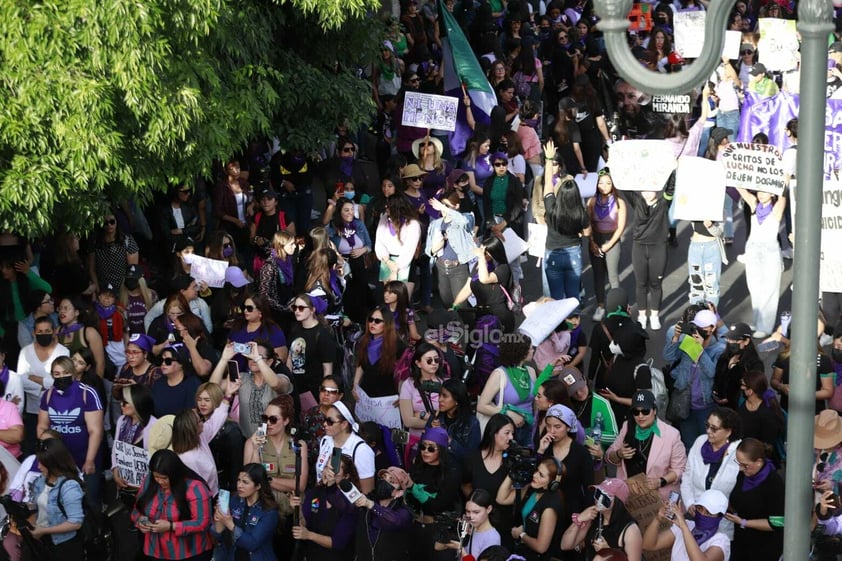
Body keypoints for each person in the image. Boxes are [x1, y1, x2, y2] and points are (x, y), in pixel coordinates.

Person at [37, 356, 104, 504]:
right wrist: (46, 451)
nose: (61, 377)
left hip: (84, 459)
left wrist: (90, 460)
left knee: (89, 502)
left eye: (65, 373)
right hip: (58, 462)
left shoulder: (87, 393)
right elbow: (42, 426)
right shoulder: (48, 395)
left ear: (73, 373)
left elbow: (96, 431)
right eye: (57, 374)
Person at [242, 394, 308, 539]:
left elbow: (300, 484)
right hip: (263, 514)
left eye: (273, 419)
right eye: (265, 419)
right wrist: (254, 449)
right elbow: (248, 481)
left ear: (286, 421)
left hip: (291, 512)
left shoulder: (299, 446)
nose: (268, 423)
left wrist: (267, 481)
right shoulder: (252, 443)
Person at [132, 449, 214, 561]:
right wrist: (140, 520)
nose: (160, 481)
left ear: (175, 474)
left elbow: (202, 522)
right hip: (155, 551)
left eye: (164, 478)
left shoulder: (195, 488)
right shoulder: (149, 482)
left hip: (189, 553)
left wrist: (171, 526)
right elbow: (137, 509)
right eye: (156, 477)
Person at [605, 390, 686, 501]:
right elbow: (609, 457)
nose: (640, 416)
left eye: (645, 411)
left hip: (659, 498)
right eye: (636, 412)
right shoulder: (627, 427)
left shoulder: (672, 435)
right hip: (629, 495)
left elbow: (679, 469)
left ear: (654, 411)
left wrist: (660, 481)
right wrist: (619, 454)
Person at [664, 308, 727, 449]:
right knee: (689, 447)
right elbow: (669, 357)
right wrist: (675, 338)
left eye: (702, 327)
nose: (698, 330)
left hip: (706, 406)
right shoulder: (689, 341)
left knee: (708, 445)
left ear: (712, 328)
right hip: (685, 405)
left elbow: (711, 373)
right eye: (696, 326)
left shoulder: (718, 348)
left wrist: (700, 351)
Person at [541, 141, 591, 300]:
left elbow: (548, 184)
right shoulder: (581, 213)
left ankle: (559, 325)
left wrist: (549, 159)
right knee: (573, 297)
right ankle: (575, 324)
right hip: (573, 252)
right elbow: (587, 232)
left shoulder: (551, 208)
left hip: (553, 253)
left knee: (555, 298)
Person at [681, 407, 741, 537]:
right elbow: (687, 475)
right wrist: (690, 502)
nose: (708, 431)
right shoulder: (700, 441)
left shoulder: (738, 452)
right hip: (696, 516)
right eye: (707, 426)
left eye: (714, 428)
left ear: (728, 431)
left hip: (723, 522)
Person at [210, 341, 290, 437]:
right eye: (250, 356)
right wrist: (224, 359)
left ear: (270, 361)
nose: (253, 359)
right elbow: (212, 388)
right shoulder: (243, 378)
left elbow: (276, 384)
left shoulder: (280, 377)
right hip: (247, 440)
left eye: (259, 356)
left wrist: (257, 358)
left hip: (273, 442)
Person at [737, 186, 787, 338]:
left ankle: (765, 327)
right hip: (753, 250)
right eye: (759, 190)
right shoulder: (753, 204)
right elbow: (742, 190)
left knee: (769, 288)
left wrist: (784, 181)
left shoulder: (776, 208)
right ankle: (758, 321)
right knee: (754, 286)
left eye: (765, 191)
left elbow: (784, 197)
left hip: (770, 252)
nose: (760, 194)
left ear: (772, 193)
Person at [405, 427, 462, 561]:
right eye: (423, 447)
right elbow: (410, 500)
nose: (425, 451)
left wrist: (413, 488)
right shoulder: (417, 466)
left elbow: (438, 505)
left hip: (436, 529)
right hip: (416, 525)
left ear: (441, 450)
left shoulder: (451, 473)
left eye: (431, 448)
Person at [722, 438, 784, 561]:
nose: (740, 468)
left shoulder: (774, 483)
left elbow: (777, 523)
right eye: (738, 463)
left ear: (759, 462)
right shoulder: (745, 473)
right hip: (741, 540)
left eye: (745, 465)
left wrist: (743, 522)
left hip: (764, 547)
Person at [291, 453, 359, 561]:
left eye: (334, 470)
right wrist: (297, 508)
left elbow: (338, 543)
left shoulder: (350, 502)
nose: (328, 472)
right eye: (327, 467)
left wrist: (309, 535)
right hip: (312, 555)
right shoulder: (315, 493)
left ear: (346, 476)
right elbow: (305, 522)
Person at [496, 457, 565, 561]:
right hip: (522, 552)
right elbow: (501, 499)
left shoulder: (550, 507)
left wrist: (521, 535)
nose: (535, 475)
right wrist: (512, 472)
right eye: (537, 470)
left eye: (541, 475)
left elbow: (541, 547)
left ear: (553, 483)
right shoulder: (532, 489)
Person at [477, 334, 539, 446]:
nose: (533, 350)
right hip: (506, 430)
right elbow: (481, 406)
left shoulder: (531, 371)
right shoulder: (499, 374)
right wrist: (507, 413)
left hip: (529, 429)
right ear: (521, 352)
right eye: (530, 348)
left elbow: (535, 400)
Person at [29, 438, 85, 561]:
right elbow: (39, 510)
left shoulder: (69, 487)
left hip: (65, 545)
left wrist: (44, 530)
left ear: (52, 463)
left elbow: (75, 523)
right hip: (45, 542)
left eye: (42, 463)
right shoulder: (40, 482)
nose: (38, 466)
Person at [561, 478, 643, 561]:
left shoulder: (630, 530)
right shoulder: (594, 516)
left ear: (618, 502)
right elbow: (565, 545)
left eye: (605, 497)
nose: (598, 500)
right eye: (597, 493)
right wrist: (579, 519)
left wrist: (609, 550)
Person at [211, 463, 279, 561]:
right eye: (238, 480)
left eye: (245, 482)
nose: (239, 485)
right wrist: (219, 517)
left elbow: (252, 544)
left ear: (258, 486)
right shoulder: (234, 500)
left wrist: (230, 524)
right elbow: (218, 532)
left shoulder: (269, 511)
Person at [642, 489, 731, 561]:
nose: (702, 514)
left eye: (709, 512)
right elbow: (649, 545)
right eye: (700, 508)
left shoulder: (721, 540)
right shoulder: (687, 525)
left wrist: (684, 527)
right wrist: (658, 518)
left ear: (719, 516)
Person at [536, 404, 594, 515]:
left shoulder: (581, 454)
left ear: (568, 427)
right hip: (544, 508)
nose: (552, 431)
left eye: (557, 427)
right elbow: (535, 477)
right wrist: (540, 452)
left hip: (571, 511)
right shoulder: (545, 447)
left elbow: (589, 489)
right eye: (548, 426)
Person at [286, 293, 338, 413]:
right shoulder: (294, 329)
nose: (297, 311)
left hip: (314, 389)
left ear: (312, 310)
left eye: (301, 308)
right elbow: (290, 356)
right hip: (296, 387)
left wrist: (324, 395)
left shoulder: (322, 334)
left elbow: (327, 369)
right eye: (295, 307)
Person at [451, 236, 516, 333]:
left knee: (498, 347)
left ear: (494, 252)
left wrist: (481, 258)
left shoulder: (503, 268)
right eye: (482, 251)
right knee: (474, 346)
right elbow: (467, 288)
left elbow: (484, 279)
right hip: (481, 314)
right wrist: (454, 306)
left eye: (485, 252)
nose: (482, 254)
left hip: (499, 316)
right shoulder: (479, 265)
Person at [588, 168, 626, 321]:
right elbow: (588, 223)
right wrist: (591, 242)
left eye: (608, 183)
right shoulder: (591, 201)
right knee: (598, 274)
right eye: (601, 182)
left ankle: (617, 308)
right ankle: (600, 306)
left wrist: (609, 245)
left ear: (613, 184)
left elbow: (621, 227)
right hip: (595, 238)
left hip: (612, 239)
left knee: (613, 276)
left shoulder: (619, 202)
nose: (604, 186)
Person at [352, 467, 414, 561]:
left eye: (391, 481)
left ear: (399, 492)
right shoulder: (366, 502)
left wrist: (372, 505)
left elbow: (394, 521)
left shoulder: (403, 511)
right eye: (383, 477)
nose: (384, 481)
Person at [314, 402, 376, 493]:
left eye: (330, 421)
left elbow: (367, 492)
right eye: (324, 419)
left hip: (348, 504)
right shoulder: (325, 440)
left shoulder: (362, 450)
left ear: (344, 424)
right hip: (323, 497)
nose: (324, 424)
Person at [353, 306, 406, 405]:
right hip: (366, 395)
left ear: (387, 324)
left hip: (388, 398)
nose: (372, 323)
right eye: (371, 319)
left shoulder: (399, 346)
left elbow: (404, 373)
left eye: (377, 321)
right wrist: (355, 384)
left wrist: (402, 394)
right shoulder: (363, 341)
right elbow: (360, 363)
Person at [112, 384, 157, 493]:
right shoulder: (121, 421)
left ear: (137, 403)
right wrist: (115, 470)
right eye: (120, 401)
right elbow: (116, 449)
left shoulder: (154, 425)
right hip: (125, 485)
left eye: (125, 402)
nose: (121, 405)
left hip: (148, 487)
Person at [436, 488, 501, 558]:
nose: (471, 516)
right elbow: (438, 546)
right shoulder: (468, 527)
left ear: (488, 509)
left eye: (476, 512)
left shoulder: (492, 538)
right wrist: (453, 528)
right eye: (468, 511)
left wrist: (461, 550)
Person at [427, 378, 480, 463]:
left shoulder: (471, 423)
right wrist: (432, 433)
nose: (440, 399)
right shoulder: (435, 418)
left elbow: (472, 456)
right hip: (436, 468)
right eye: (439, 395)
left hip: (459, 470)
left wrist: (448, 440)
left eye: (445, 396)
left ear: (457, 400)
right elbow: (424, 447)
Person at [712, 323, 764, 410]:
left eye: (735, 340)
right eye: (728, 339)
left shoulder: (754, 363)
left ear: (746, 341)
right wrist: (716, 394)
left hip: (741, 410)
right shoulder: (724, 357)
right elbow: (717, 378)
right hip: (721, 407)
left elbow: (752, 387)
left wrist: (733, 367)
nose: (730, 342)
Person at [737, 370, 784, 465]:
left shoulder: (767, 414)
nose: (740, 387)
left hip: (759, 459)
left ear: (750, 391)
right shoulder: (742, 403)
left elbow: (767, 444)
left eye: (743, 385)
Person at [399, 342, 445, 439]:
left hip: (440, 439)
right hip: (417, 440)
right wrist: (432, 423)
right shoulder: (408, 385)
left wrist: (420, 415)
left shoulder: (444, 382)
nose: (434, 363)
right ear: (418, 363)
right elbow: (408, 421)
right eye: (429, 361)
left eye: (436, 360)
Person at [151, 345, 202, 418]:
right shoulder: (158, 384)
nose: (163, 364)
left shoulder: (192, 383)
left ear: (181, 363)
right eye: (161, 360)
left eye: (168, 361)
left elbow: (192, 415)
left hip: (183, 427)